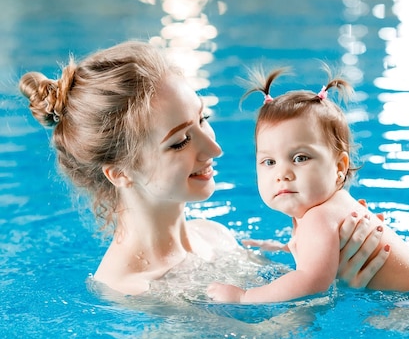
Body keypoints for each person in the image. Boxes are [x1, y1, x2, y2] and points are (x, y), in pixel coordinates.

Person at [18, 41, 389, 296]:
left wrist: (338, 246)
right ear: (119, 172)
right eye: (179, 141)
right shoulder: (135, 292)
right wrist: (331, 293)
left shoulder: (214, 235)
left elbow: (294, 284)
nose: (214, 147)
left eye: (203, 118)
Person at [206, 68, 409, 303]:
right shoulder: (327, 210)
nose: (282, 174)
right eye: (269, 161)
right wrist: (289, 246)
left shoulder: (318, 218)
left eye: (300, 158)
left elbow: (312, 282)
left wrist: (243, 297)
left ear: (339, 167)